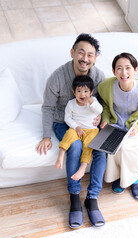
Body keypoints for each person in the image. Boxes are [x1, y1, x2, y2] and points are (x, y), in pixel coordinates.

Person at [35, 33, 107, 228]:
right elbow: (48, 107)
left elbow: (105, 102)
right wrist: (45, 136)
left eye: (90, 55)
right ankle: (74, 197)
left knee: (100, 150)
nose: (85, 58)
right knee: (74, 146)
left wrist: (104, 117)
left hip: (89, 125)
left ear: (95, 58)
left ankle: (92, 198)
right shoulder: (57, 77)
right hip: (63, 121)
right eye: (81, 52)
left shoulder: (99, 76)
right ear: (72, 52)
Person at [98, 52, 138, 200]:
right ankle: (118, 177)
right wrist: (106, 119)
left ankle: (134, 179)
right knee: (111, 146)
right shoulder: (106, 86)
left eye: (128, 68)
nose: (124, 72)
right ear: (114, 71)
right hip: (117, 122)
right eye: (119, 68)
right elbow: (106, 106)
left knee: (126, 147)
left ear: (135, 70)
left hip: (135, 125)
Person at [55, 75, 103, 181]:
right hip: (77, 129)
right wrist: (76, 127)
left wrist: (91, 101)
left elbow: (100, 110)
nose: (82, 94)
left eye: (86, 91)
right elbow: (67, 118)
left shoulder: (93, 101)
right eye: (79, 91)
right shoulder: (71, 104)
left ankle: (82, 167)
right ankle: (61, 155)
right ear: (74, 92)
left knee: (88, 146)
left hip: (91, 130)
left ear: (91, 92)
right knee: (69, 134)